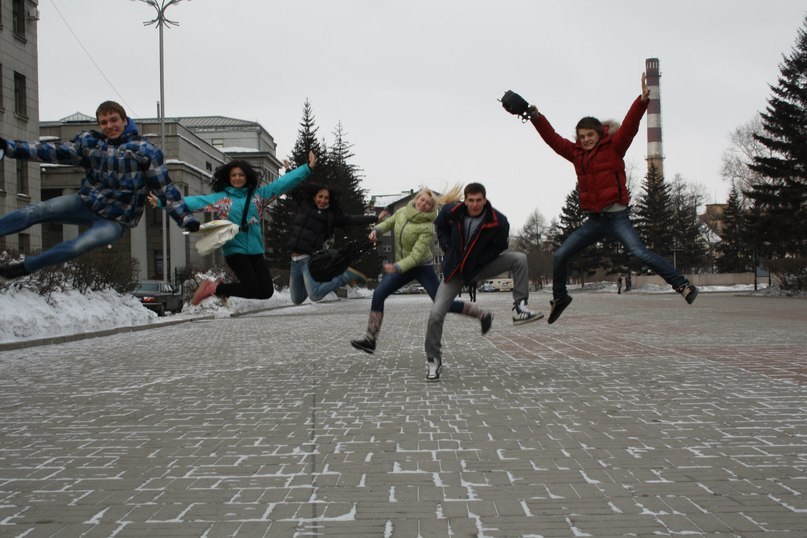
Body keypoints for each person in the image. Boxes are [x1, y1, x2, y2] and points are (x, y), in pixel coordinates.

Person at [523, 72, 698, 324]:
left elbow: (629, 126)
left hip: (617, 217)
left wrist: (641, 101)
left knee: (639, 252)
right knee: (561, 255)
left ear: (599, 133)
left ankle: (683, 286)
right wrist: (536, 117)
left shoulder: (615, 146)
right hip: (594, 221)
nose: (586, 141)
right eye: (581, 137)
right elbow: (552, 139)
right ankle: (560, 298)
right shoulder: (576, 154)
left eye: (590, 136)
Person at [0, 101, 200, 280]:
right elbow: (52, 151)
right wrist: (8, 147)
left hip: (115, 220)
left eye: (114, 120)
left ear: (124, 120)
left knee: (79, 245)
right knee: (38, 210)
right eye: (104, 123)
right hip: (86, 203)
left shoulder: (145, 151)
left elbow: (165, 189)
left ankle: (25, 268)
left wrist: (186, 219)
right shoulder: (91, 143)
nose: (109, 126)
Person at [150, 151, 316, 304]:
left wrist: (306, 168)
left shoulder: (258, 196)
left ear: (247, 176)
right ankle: (213, 288)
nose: (237, 178)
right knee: (251, 288)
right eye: (234, 175)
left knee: (265, 291)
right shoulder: (223, 199)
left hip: (256, 249)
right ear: (228, 178)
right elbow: (194, 202)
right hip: (235, 249)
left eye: (241, 175)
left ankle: (216, 288)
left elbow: (283, 184)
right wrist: (163, 202)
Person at [350, 186, 493, 354]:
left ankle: (482, 315)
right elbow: (389, 223)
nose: (424, 204)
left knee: (441, 303)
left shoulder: (427, 227)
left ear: (431, 208)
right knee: (379, 293)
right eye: (422, 200)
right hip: (402, 265)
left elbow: (416, 257)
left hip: (421, 267)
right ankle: (370, 339)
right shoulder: (402, 212)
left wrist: (396, 267)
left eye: (428, 204)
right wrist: (376, 230)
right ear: (416, 199)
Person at [424, 182, 543, 381]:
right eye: (471, 200)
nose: (475, 204)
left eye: (479, 200)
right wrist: (446, 246)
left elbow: (499, 246)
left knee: (519, 258)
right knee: (436, 314)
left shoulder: (499, 221)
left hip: (481, 266)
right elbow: (440, 226)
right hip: (456, 271)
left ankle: (520, 306)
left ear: (485, 199)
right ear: (465, 199)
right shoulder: (451, 211)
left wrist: (478, 260)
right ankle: (433, 359)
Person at [286, 182, 385, 305]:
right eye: (320, 196)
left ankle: (344, 277)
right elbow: (294, 190)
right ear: (314, 197)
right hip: (294, 261)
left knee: (315, 295)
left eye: (326, 198)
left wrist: (375, 218)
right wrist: (289, 170)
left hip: (308, 259)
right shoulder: (305, 206)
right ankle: (318, 281)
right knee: (297, 299)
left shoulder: (330, 217)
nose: (323, 200)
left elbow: (351, 220)